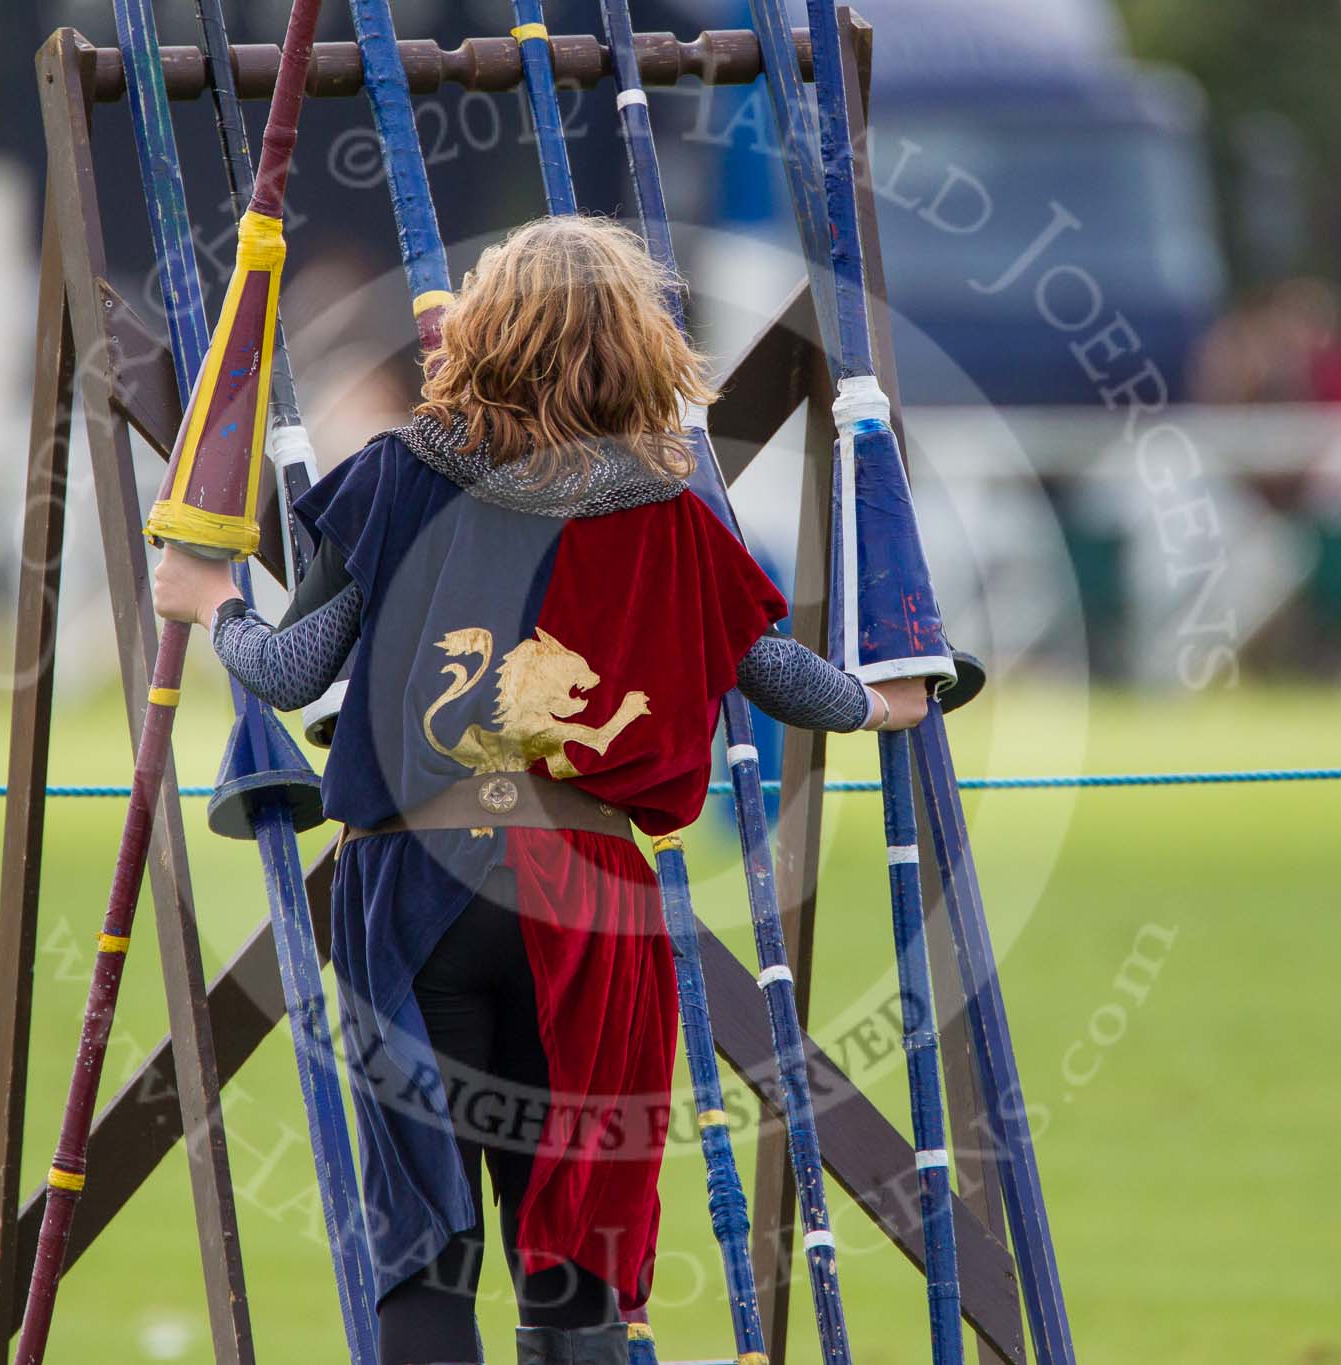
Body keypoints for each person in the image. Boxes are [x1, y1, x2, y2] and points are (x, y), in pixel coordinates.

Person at [154, 216, 928, 1365]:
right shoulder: (674, 516)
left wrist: (205, 599)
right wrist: (883, 705)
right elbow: (780, 678)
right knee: (573, 1257)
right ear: (637, 350)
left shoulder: (393, 478)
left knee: (422, 1243)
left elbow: (289, 670)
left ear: (484, 336)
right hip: (588, 900)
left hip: (412, 887)